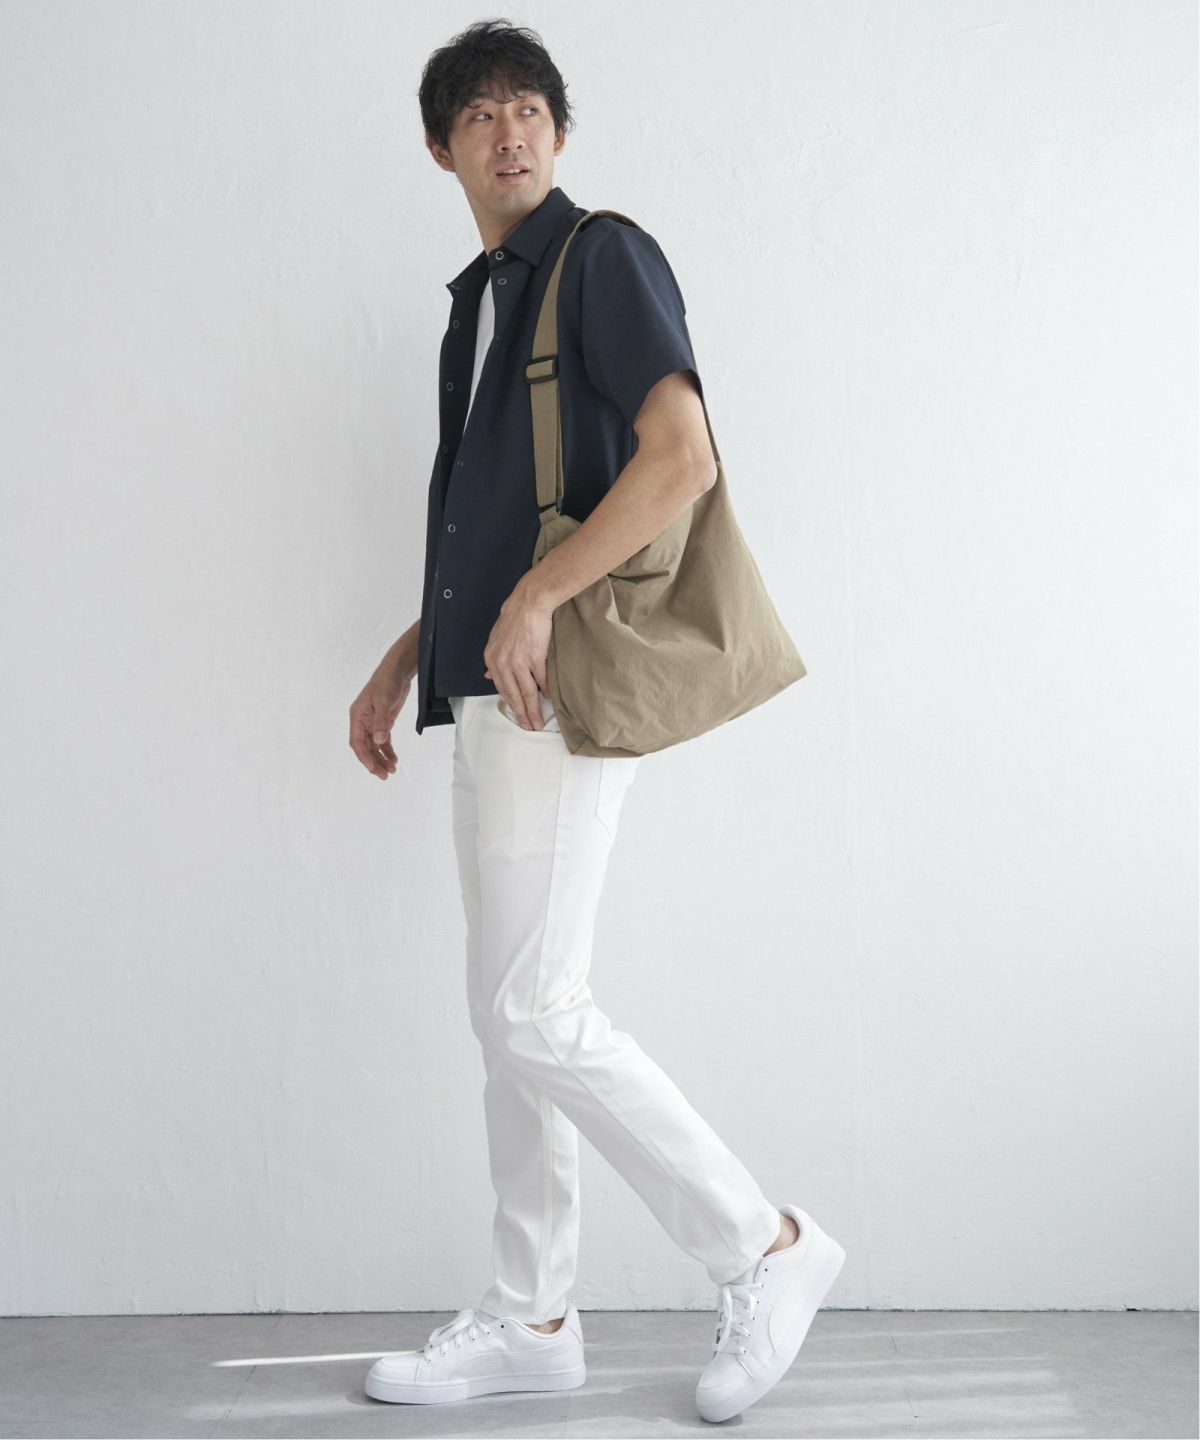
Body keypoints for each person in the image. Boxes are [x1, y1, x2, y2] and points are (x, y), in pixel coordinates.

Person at [348, 19, 845, 1423]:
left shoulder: (602, 257)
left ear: (558, 135)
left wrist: (536, 601)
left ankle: (765, 1246)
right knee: (506, 1021)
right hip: (490, 685)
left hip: (556, 686)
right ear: (441, 149)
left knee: (534, 1009)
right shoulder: (478, 304)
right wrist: (409, 653)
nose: (508, 131)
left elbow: (681, 458)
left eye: (529, 109)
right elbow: (497, 516)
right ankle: (532, 1314)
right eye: (478, 115)